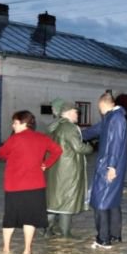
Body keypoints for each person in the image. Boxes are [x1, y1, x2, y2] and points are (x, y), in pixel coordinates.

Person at [0, 111, 62, 254]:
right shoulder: (42, 138)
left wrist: (9, 152)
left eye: (15, 122)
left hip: (14, 186)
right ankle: (27, 249)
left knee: (10, 218)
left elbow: (0, 153)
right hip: (36, 185)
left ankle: (6, 249)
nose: (13, 125)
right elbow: (57, 150)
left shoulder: (14, 139)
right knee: (30, 219)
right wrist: (46, 164)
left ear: (23, 123)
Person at [82, 92, 127, 250]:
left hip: (108, 166)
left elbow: (115, 142)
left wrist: (112, 166)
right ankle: (115, 236)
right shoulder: (111, 117)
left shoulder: (116, 119)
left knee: (100, 201)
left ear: (102, 104)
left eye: (98, 106)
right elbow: (94, 130)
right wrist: (76, 133)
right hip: (111, 165)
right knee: (112, 201)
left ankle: (103, 240)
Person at [45, 99, 93, 238]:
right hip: (68, 169)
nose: (77, 114)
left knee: (55, 200)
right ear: (67, 113)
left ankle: (47, 231)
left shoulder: (55, 126)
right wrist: (90, 147)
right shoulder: (69, 127)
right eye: (75, 111)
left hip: (56, 168)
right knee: (67, 200)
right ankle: (66, 234)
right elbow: (78, 147)